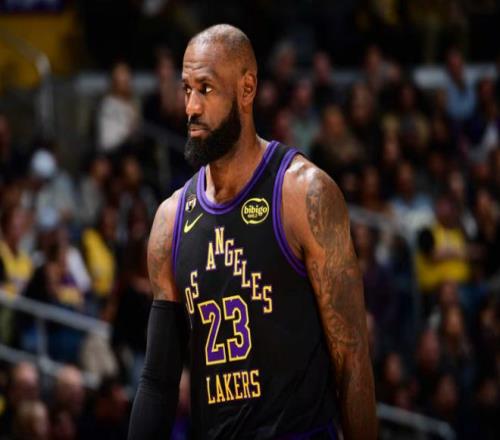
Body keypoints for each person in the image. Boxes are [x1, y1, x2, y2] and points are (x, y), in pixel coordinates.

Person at [128, 24, 377, 439]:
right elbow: (157, 383)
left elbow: (351, 359)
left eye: (205, 89)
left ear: (247, 89)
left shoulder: (304, 193)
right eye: (186, 89)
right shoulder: (170, 221)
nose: (191, 107)